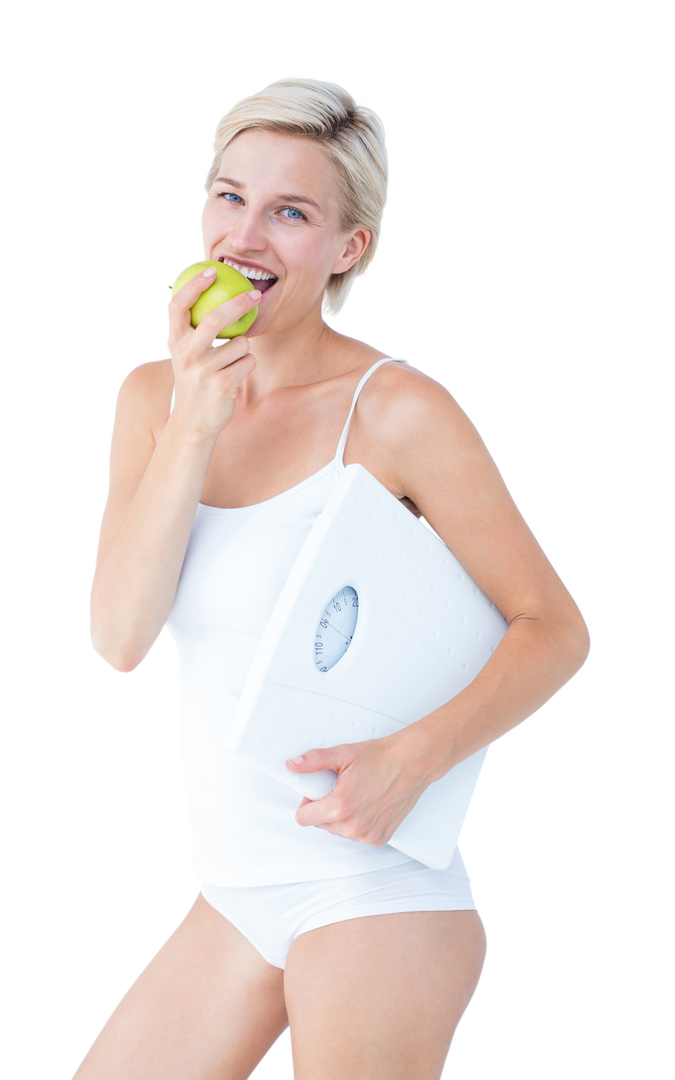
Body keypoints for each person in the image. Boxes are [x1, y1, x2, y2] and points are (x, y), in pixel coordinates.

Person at [84, 67, 591, 1080]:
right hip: (229, 893)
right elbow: (120, 641)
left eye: (291, 212)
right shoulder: (154, 397)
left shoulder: (397, 410)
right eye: (228, 197)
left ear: (349, 248)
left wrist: (414, 758)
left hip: (377, 891)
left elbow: (554, 627)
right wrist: (196, 417)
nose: (244, 238)